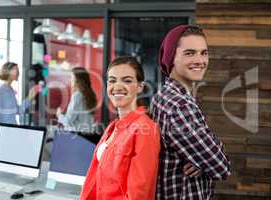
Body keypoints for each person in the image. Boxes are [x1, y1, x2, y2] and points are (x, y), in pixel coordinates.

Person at [151, 25, 231, 200]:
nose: (200, 60)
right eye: (190, 53)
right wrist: (211, 155)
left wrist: (204, 159)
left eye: (204, 53)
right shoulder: (179, 105)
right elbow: (221, 167)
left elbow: (212, 159)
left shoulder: (164, 96)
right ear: (171, 58)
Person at [81, 56, 160, 200]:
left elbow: (137, 195)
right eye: (112, 80)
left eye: (127, 80)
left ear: (140, 87)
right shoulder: (112, 127)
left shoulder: (145, 129)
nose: (117, 86)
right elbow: (95, 181)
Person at [0, 62, 37, 142]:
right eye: (16, 70)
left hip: (12, 133)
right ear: (8, 71)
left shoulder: (10, 90)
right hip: (3, 136)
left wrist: (29, 97)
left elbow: (18, 111)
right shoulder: (0, 91)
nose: (18, 72)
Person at [56, 67, 97, 133]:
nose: (70, 80)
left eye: (72, 78)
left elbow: (69, 122)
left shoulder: (77, 96)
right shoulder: (90, 95)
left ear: (78, 80)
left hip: (77, 137)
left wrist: (59, 115)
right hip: (88, 137)